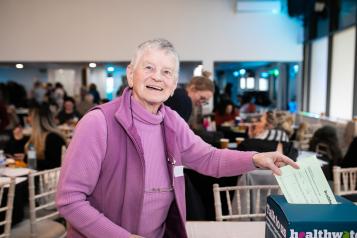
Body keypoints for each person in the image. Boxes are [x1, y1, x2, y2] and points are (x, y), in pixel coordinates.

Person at [56, 38, 298, 238]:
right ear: (131, 74)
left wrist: (255, 158)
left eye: (166, 72)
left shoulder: (171, 121)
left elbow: (209, 158)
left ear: (173, 86)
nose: (157, 77)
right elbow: (70, 200)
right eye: (148, 68)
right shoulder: (98, 123)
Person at [25, 103, 66, 170]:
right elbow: (31, 164)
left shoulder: (53, 138)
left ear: (36, 119)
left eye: (29, 115)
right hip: (35, 176)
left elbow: (55, 165)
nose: (28, 119)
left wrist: (27, 159)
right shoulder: (34, 138)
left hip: (49, 178)